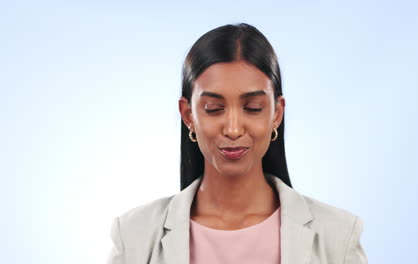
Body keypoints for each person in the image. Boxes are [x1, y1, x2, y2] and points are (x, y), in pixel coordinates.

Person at [106, 23, 368, 264]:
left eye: (252, 108)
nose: (233, 129)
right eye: (214, 108)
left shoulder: (339, 236)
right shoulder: (134, 237)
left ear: (277, 113)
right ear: (188, 115)